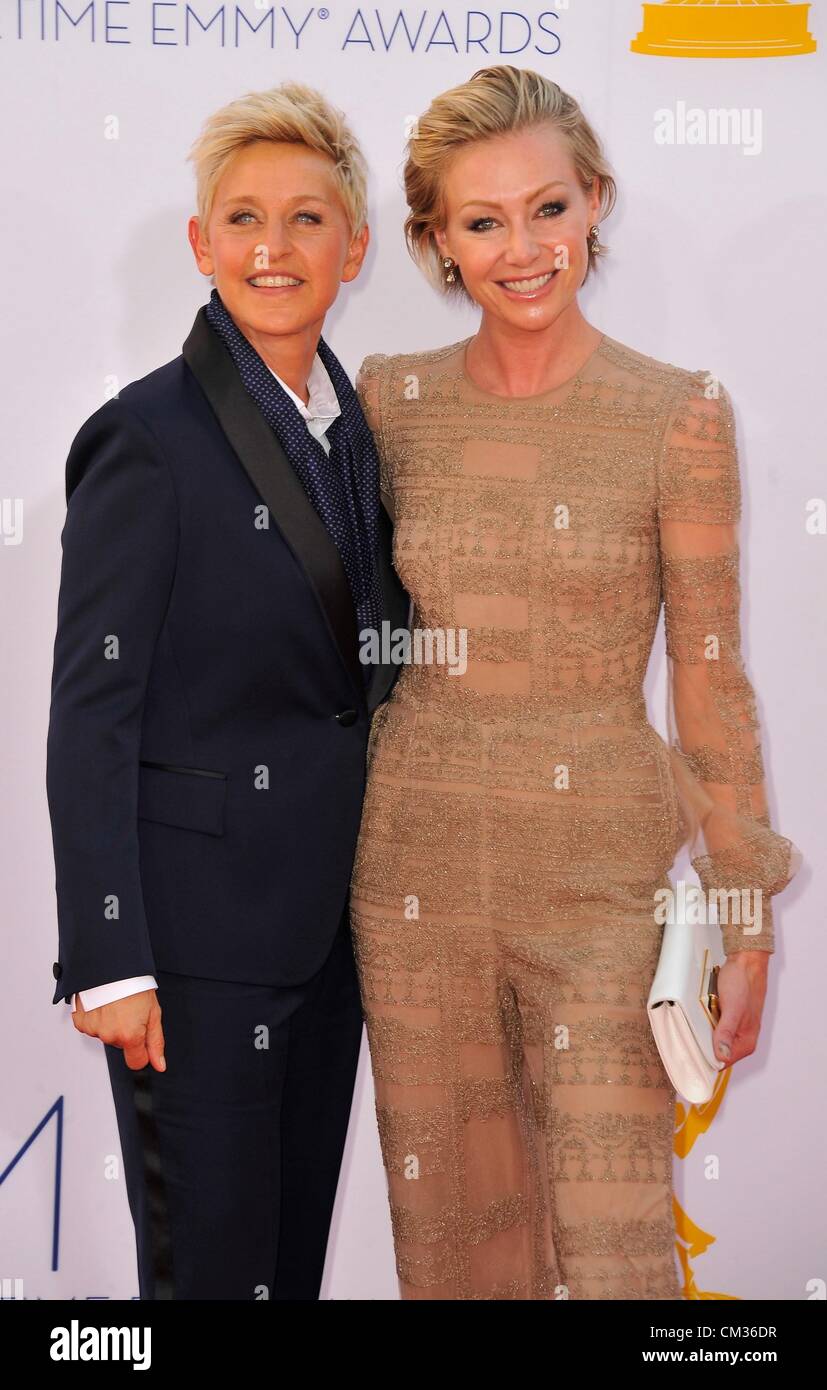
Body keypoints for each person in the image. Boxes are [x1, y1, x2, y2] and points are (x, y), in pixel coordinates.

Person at [348, 64, 801, 1301]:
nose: (522, 248)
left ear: (594, 199)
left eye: (548, 208)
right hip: (416, 874)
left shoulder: (676, 413)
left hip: (602, 881)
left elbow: (710, 676)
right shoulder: (389, 402)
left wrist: (740, 908)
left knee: (616, 1261)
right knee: (459, 1262)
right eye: (481, 220)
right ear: (435, 239)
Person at [45, 81, 408, 1300]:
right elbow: (91, 710)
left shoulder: (363, 436)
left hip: (332, 939)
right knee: (202, 1281)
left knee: (283, 1274)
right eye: (244, 217)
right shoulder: (144, 438)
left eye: (307, 219)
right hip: (192, 956)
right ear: (202, 245)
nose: (274, 246)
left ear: (351, 247)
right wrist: (109, 956)